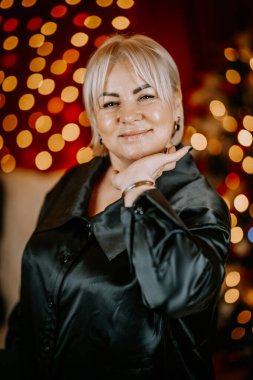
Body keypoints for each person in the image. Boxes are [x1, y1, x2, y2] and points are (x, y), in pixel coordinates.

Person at [0, 34, 230, 379]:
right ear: (95, 116)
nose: (128, 114)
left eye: (146, 96)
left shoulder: (197, 203)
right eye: (110, 103)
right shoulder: (74, 181)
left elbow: (178, 295)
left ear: (176, 105)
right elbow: (30, 305)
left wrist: (138, 187)